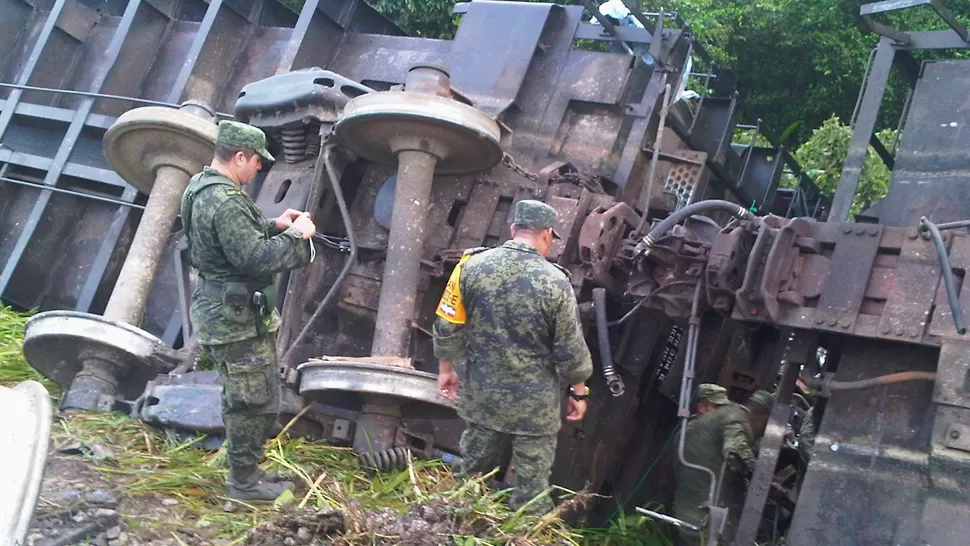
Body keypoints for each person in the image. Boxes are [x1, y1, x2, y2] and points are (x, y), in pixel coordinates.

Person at [179, 120, 317, 501]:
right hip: (235, 321)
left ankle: (247, 469)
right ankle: (243, 484)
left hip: (220, 311)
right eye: (257, 161)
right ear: (240, 156)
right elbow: (255, 258)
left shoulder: (201, 187)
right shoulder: (227, 202)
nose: (260, 168)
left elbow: (231, 243)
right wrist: (297, 237)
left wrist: (275, 224)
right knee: (251, 402)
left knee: (250, 395)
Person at [432, 199, 594, 514]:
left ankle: (450, 529)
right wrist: (579, 392)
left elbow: (447, 324)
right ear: (547, 235)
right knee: (531, 496)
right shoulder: (556, 282)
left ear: (512, 229)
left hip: (483, 399)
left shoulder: (470, 265)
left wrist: (445, 369)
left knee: (468, 480)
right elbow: (570, 351)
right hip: (534, 411)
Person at [673, 390, 774, 545]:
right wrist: (763, 479)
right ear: (764, 419)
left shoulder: (727, 412)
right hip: (700, 504)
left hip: (690, 495)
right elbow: (735, 451)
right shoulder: (737, 418)